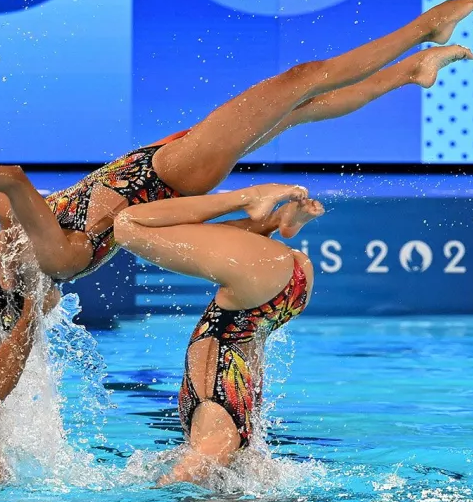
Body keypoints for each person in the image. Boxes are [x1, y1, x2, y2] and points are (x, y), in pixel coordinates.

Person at [0, 0, 473, 480]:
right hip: (172, 179)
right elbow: (0, 171)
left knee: (294, 106)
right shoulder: (50, 252)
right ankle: (422, 31)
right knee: (296, 85)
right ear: (4, 280)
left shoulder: (14, 234)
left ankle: (411, 72)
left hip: (155, 162)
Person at [113, 184, 324, 485]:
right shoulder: (218, 435)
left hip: (280, 294)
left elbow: (193, 468)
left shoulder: (233, 436)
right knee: (127, 225)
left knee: (139, 228)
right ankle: (253, 201)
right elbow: (192, 469)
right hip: (262, 286)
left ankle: (274, 222)